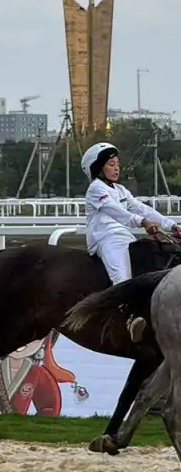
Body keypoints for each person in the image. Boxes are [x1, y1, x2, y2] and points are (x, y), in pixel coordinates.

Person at [81, 141, 181, 341]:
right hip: (105, 238)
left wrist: (172, 226)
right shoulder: (96, 189)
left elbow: (141, 208)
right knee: (123, 278)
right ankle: (125, 320)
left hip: (125, 236)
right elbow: (115, 211)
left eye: (117, 163)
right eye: (111, 164)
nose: (116, 167)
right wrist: (142, 222)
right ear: (97, 168)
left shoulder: (120, 189)